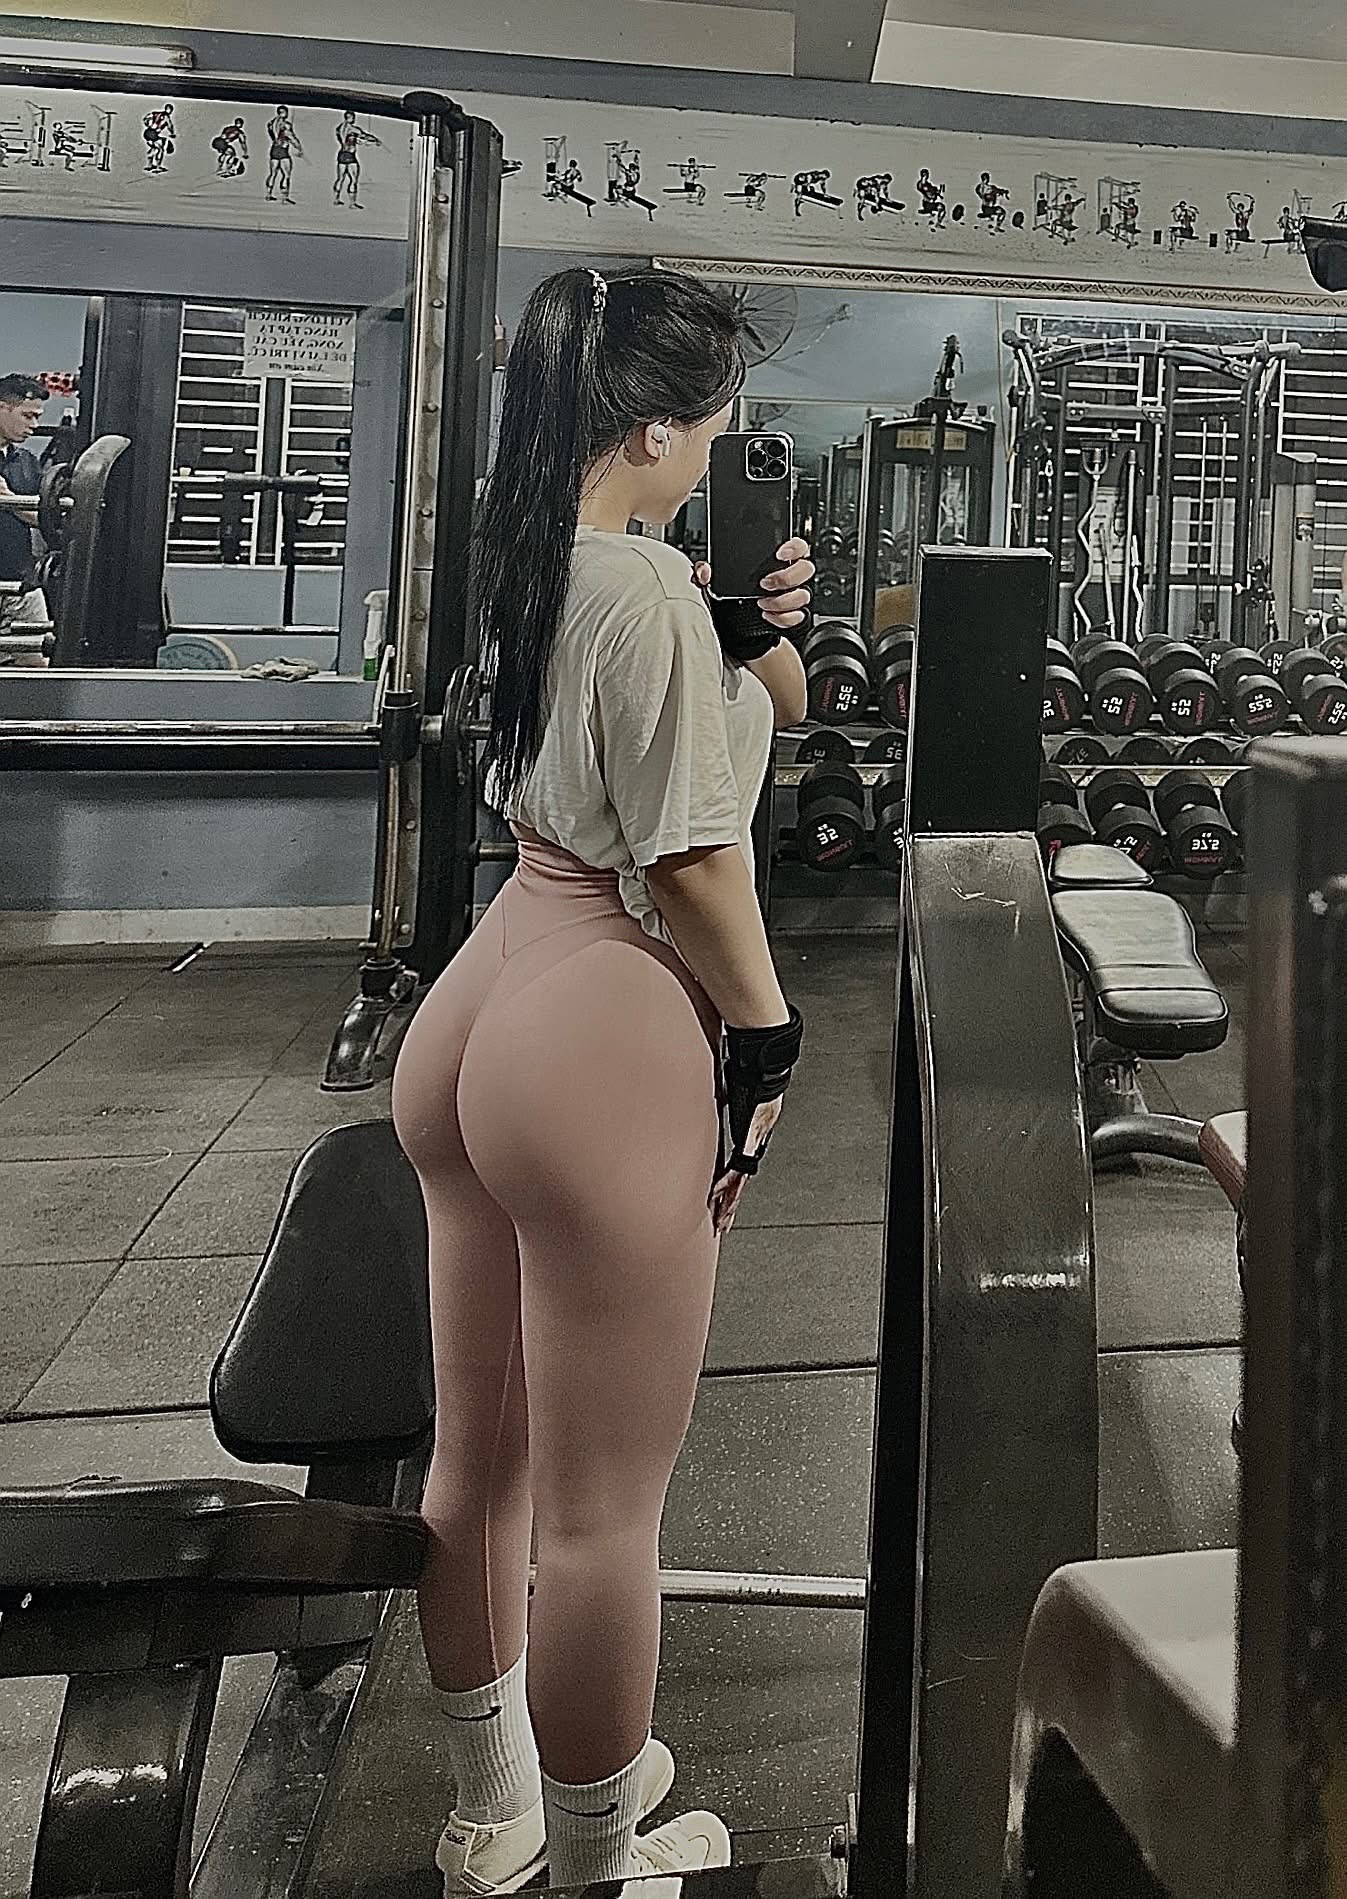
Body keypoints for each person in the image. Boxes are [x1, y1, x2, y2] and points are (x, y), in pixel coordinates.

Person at [391, 267, 813, 1896]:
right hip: (607, 1018)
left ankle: (494, 1810)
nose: (715, 453)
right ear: (653, 429)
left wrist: (749, 626)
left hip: (491, 986)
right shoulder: (639, 590)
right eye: (711, 429)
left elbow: (762, 709)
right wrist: (765, 1036)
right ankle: (594, 1868)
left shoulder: (534, 556)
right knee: (602, 1519)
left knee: (479, 1467)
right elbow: (696, 861)